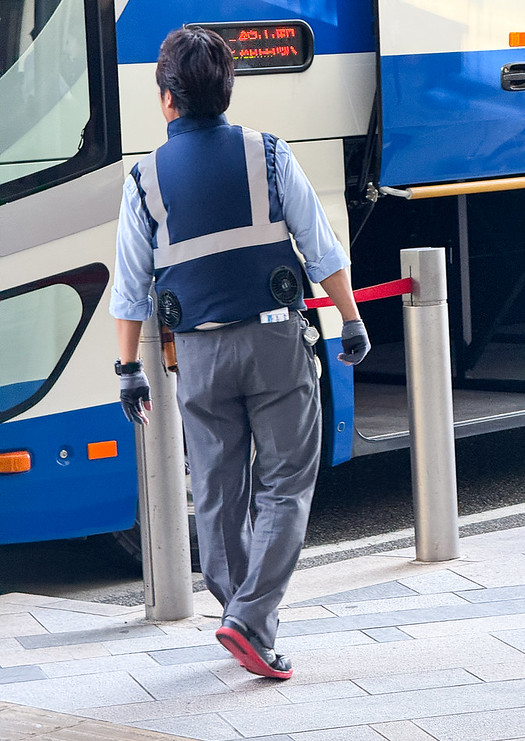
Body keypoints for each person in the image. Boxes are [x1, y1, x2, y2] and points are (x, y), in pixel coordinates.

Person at [109, 26, 370, 680]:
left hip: (196, 354)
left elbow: (130, 286)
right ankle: (250, 619)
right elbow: (321, 245)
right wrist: (350, 318)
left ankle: (243, 617)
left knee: (220, 495)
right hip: (275, 341)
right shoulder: (270, 154)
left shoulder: (144, 179)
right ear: (226, 91)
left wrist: (127, 371)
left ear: (168, 99)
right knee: (287, 484)